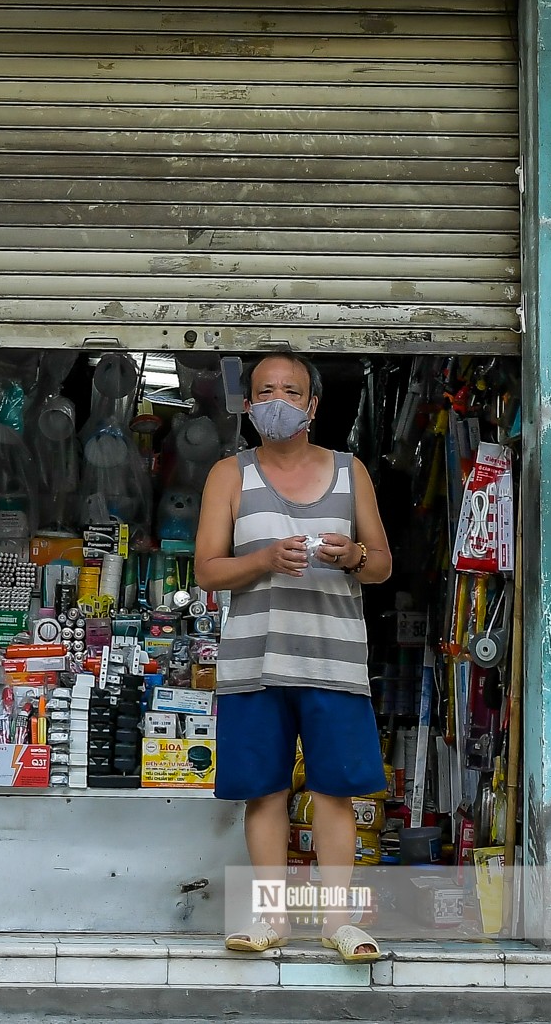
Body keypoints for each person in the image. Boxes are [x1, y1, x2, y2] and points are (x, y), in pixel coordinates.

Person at [194, 353, 393, 964]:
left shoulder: (349, 470)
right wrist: (261, 560)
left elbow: (383, 566)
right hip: (255, 660)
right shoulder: (230, 474)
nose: (276, 400)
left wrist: (352, 554)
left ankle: (339, 923)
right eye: (264, 391)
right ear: (248, 406)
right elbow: (206, 568)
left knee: (336, 791)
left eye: (290, 390)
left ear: (311, 405)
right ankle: (270, 919)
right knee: (265, 791)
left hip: (334, 658)